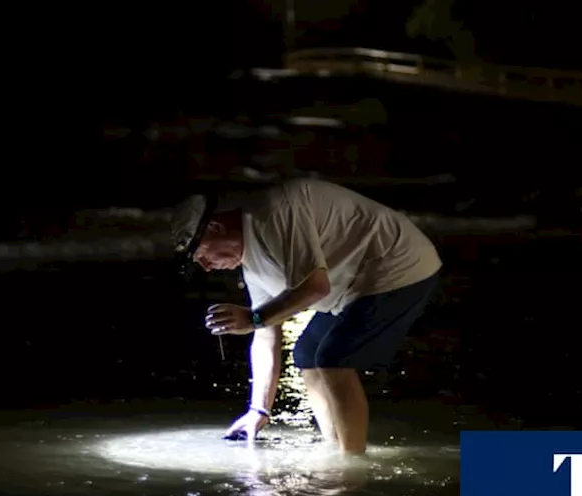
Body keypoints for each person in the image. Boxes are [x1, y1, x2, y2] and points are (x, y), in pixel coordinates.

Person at [171, 178, 442, 454]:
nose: (205, 266)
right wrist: (258, 410)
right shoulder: (252, 265)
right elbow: (266, 332)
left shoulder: (274, 214)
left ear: (216, 227)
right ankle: (335, 444)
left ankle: (352, 461)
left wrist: (252, 319)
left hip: (400, 263)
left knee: (333, 359)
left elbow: (314, 287)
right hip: (353, 285)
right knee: (307, 354)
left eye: (201, 253)